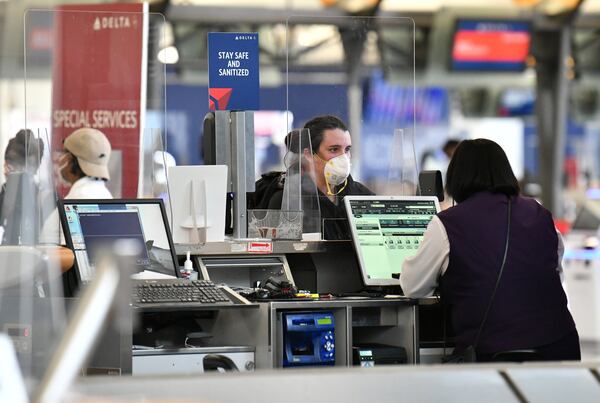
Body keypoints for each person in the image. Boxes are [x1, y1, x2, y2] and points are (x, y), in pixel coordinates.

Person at [400, 139, 580, 362]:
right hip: (560, 351)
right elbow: (554, 271)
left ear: (455, 176)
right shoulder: (540, 214)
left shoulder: (448, 223)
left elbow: (412, 286)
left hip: (492, 357)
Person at [250, 115, 373, 239]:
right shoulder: (288, 198)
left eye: (347, 149)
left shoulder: (361, 195)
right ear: (308, 154)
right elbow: (280, 252)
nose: (343, 157)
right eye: (334, 149)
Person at [58, 127, 113, 199]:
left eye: (64, 152)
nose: (60, 157)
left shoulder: (75, 199)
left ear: (70, 159)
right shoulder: (106, 195)